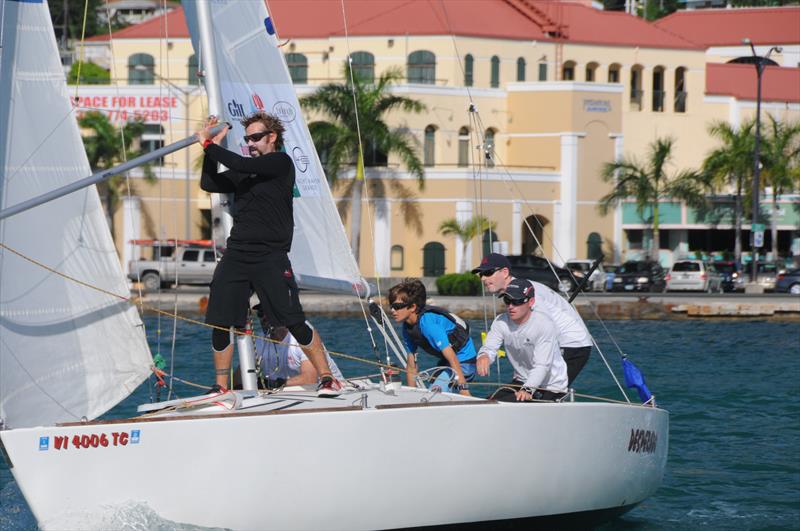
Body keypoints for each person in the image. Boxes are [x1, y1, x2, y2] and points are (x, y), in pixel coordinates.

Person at [196, 112, 342, 397]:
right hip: (238, 253)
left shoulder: (280, 163)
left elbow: (237, 162)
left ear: (271, 137)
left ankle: (327, 377)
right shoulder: (244, 172)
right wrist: (210, 150)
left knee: (291, 318)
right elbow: (209, 183)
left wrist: (208, 144)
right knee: (220, 320)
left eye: (256, 138)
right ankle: (221, 387)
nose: (250, 143)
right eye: (247, 138)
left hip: (270, 255)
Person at [472, 253, 592, 385]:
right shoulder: (516, 292)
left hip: (572, 344)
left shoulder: (528, 292)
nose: (483, 278)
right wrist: (485, 355)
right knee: (525, 386)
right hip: (551, 342)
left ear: (505, 272)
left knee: (545, 390)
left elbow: (544, 329)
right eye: (480, 274)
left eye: (488, 273)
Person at [476, 280, 568, 402]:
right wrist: (484, 356)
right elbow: (489, 348)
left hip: (551, 386)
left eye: (517, 301)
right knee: (488, 402)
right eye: (507, 301)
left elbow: (542, 365)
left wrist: (528, 389)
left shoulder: (544, 324)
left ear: (531, 302)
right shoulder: (500, 322)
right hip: (521, 380)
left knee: (508, 404)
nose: (511, 306)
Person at [388, 279, 475, 397]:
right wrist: (410, 395)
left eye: (397, 306)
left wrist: (463, 388)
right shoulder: (407, 328)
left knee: (434, 394)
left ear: (412, 307)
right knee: (429, 393)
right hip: (447, 363)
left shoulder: (428, 325)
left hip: (464, 363)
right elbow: (411, 366)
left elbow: (452, 357)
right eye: (391, 306)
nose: (392, 310)